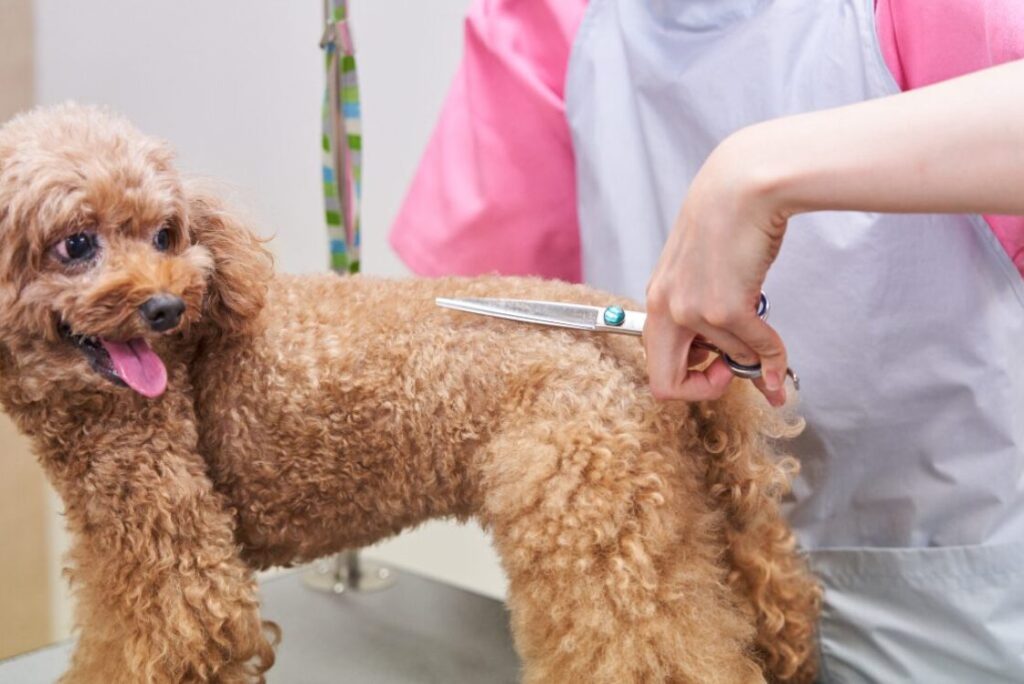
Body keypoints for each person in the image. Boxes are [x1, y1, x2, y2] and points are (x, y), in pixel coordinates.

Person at [390, 0, 1024, 680]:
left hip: (952, 601)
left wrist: (758, 173)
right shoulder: (546, 24)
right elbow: (485, 332)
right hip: (693, 596)